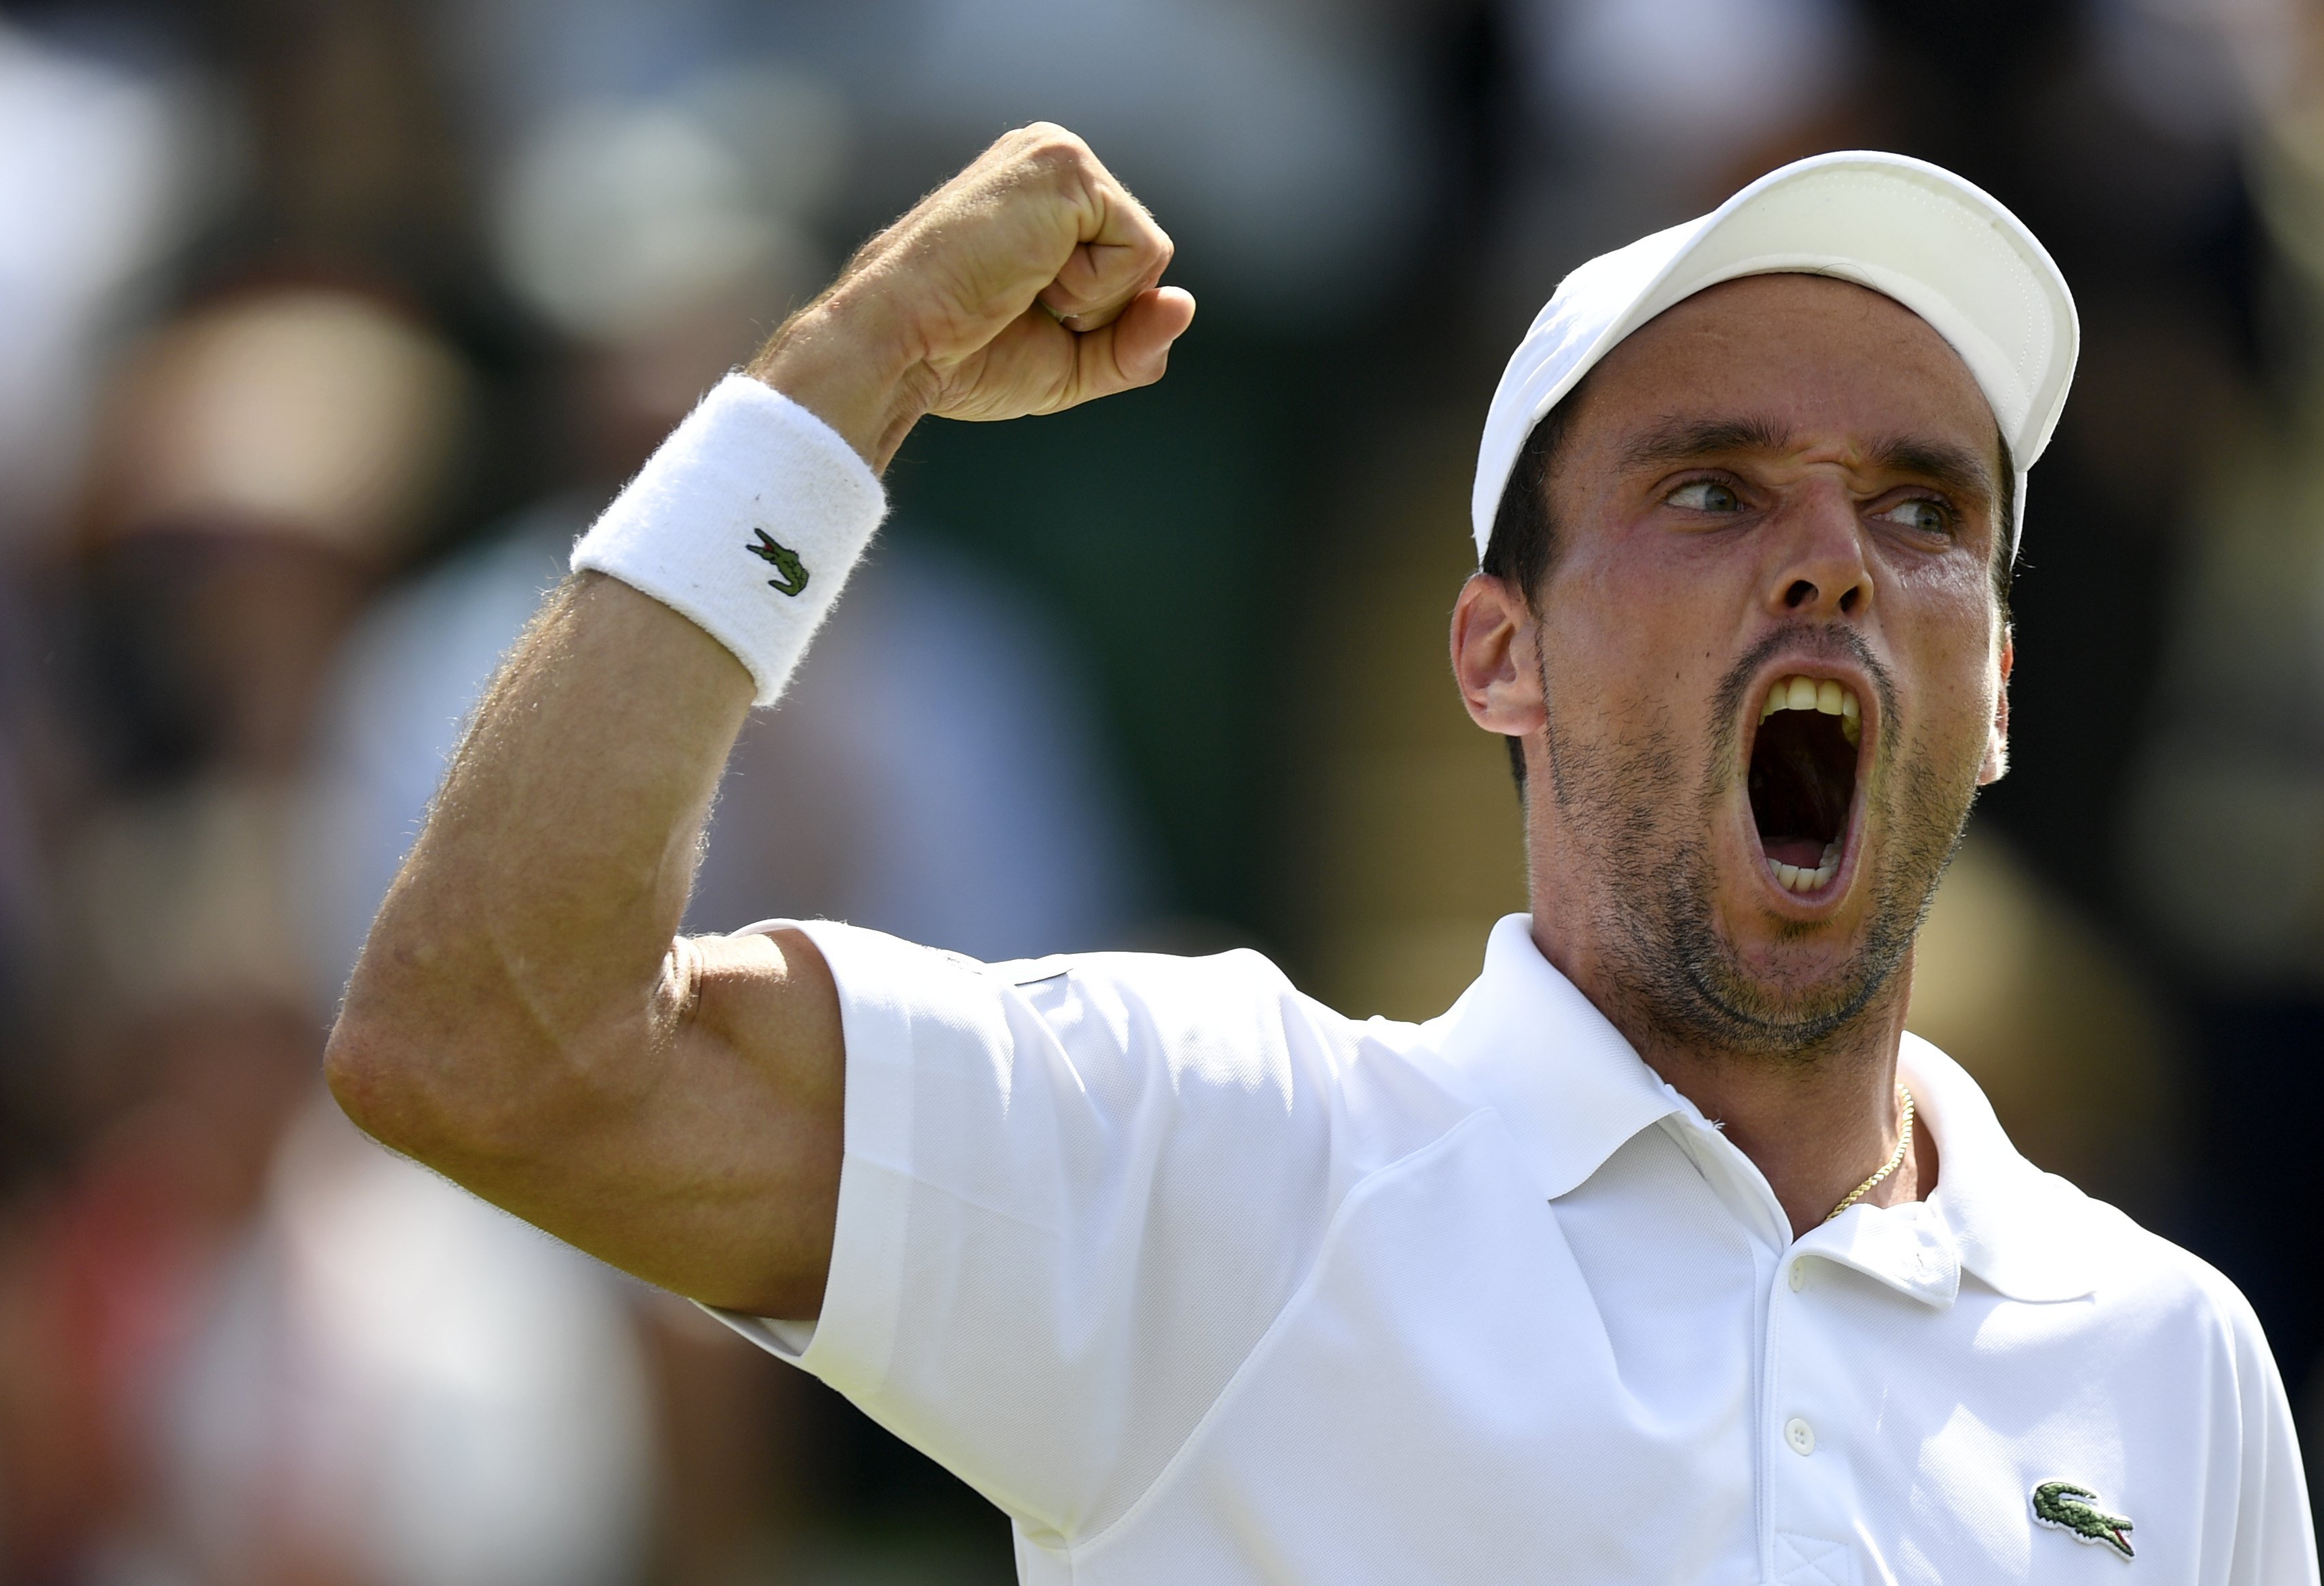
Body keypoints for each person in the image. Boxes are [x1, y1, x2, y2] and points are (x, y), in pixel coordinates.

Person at [322, 127, 2319, 1583]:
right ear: (1499, 655)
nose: (1830, 559)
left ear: (1994, 687)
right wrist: (854, 371)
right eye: (1713, 490)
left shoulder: (2170, 1360)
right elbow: (495, 1044)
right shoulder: (1209, 1156)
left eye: (1921, 509)